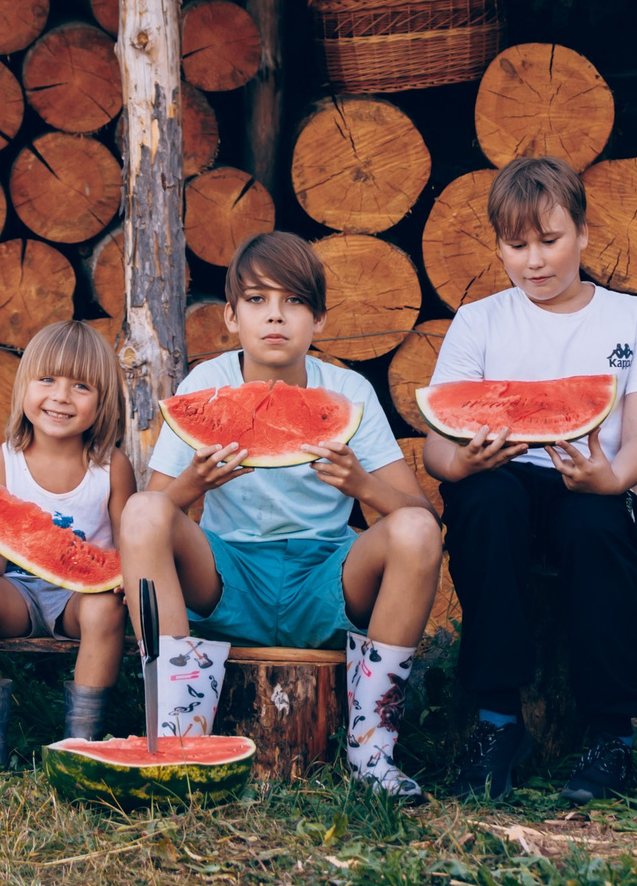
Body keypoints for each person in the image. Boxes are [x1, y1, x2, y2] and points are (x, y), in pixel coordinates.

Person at [121, 231, 445, 799]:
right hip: (227, 577)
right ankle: (176, 741)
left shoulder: (348, 392)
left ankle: (372, 752)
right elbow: (155, 511)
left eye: (294, 301)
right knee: (144, 511)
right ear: (230, 316)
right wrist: (195, 483)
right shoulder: (208, 385)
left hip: (328, 581)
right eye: (257, 300)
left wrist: (362, 484)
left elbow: (418, 512)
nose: (276, 317)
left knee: (416, 529)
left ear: (319, 320)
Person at [424, 155, 637, 804]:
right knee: (486, 500)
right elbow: (436, 446)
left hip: (592, 479)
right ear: (499, 245)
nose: (534, 260)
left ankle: (612, 730)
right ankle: (498, 722)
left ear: (584, 233)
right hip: (502, 476)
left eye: (550, 240)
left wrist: (610, 475)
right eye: (517, 244)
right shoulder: (480, 319)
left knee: (594, 526)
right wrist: (461, 464)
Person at [0, 319, 133, 777]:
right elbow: (0, 562)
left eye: (81, 386)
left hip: (80, 600)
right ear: (24, 386)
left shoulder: (111, 466)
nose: (61, 396)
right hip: (18, 593)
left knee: (104, 609)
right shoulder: (2, 461)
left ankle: (79, 746)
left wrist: (125, 576)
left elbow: (128, 548)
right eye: (46, 379)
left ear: (102, 400)